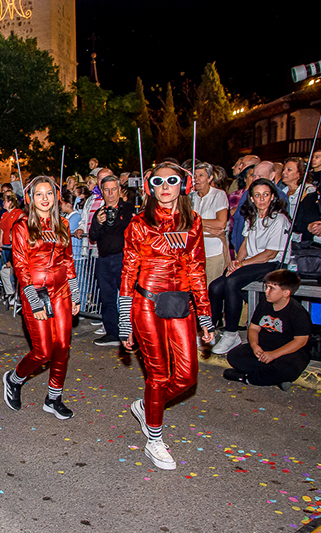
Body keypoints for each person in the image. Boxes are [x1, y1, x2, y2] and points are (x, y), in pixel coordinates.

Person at [119, 162, 214, 471]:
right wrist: (124, 321)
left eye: (171, 180)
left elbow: (197, 270)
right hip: (146, 304)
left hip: (180, 304)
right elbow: (128, 271)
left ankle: (147, 405)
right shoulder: (138, 223)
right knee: (158, 375)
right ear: (150, 187)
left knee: (187, 376)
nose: (164, 186)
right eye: (157, 181)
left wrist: (205, 317)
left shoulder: (194, 222)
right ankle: (154, 440)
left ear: (182, 185)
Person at [2, 175, 80, 419]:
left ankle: (54, 397)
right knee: (43, 351)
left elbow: (68, 260)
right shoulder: (22, 227)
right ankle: (14, 379)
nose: (44, 199)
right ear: (30, 198)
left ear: (56, 197)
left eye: (48, 194)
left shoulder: (63, 225)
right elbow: (21, 267)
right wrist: (33, 300)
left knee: (63, 347)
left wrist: (75, 294)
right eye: (39, 194)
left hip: (62, 291)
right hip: (34, 291)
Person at [210, 178, 290, 355]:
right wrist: (237, 261)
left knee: (232, 281)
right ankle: (209, 332)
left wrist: (242, 264)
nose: (261, 199)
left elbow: (270, 253)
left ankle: (231, 333)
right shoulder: (252, 217)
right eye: (257, 195)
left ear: (272, 197)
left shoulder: (279, 219)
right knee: (215, 286)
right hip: (252, 263)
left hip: (273, 263)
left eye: (265, 195)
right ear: (252, 198)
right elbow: (245, 245)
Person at [224, 269, 311, 389]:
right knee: (234, 355)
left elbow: (300, 341)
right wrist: (255, 346)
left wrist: (274, 355)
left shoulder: (298, 312)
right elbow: (254, 327)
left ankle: (246, 377)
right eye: (266, 287)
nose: (266, 292)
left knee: (287, 368)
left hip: (288, 352)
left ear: (286, 293)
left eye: (271, 288)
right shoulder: (264, 304)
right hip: (265, 347)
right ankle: (275, 378)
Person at [89, 175, 135, 346]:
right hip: (104, 260)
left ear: (119, 190)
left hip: (123, 259)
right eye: (106, 190)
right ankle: (112, 332)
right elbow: (93, 236)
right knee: (107, 298)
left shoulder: (128, 209)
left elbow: (129, 231)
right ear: (102, 191)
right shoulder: (99, 212)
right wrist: (99, 223)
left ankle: (131, 332)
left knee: (127, 298)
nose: (110, 193)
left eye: (113, 189)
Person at [191, 162, 230, 285]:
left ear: (210, 178)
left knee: (211, 289)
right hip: (195, 252)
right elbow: (184, 223)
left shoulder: (218, 194)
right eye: (194, 176)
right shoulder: (190, 197)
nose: (197, 179)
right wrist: (207, 226)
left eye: (201, 175)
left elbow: (220, 223)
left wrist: (195, 221)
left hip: (213, 251)